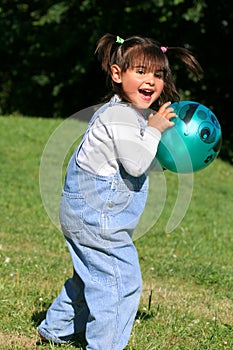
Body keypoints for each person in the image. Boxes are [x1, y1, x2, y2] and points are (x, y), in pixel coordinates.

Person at [37, 33, 202, 349]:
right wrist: (154, 132)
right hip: (97, 216)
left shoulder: (128, 114)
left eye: (158, 74)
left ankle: (55, 330)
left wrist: (160, 149)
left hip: (88, 213)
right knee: (120, 283)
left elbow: (128, 163)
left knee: (93, 278)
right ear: (117, 74)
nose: (150, 81)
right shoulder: (119, 116)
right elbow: (137, 164)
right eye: (140, 71)